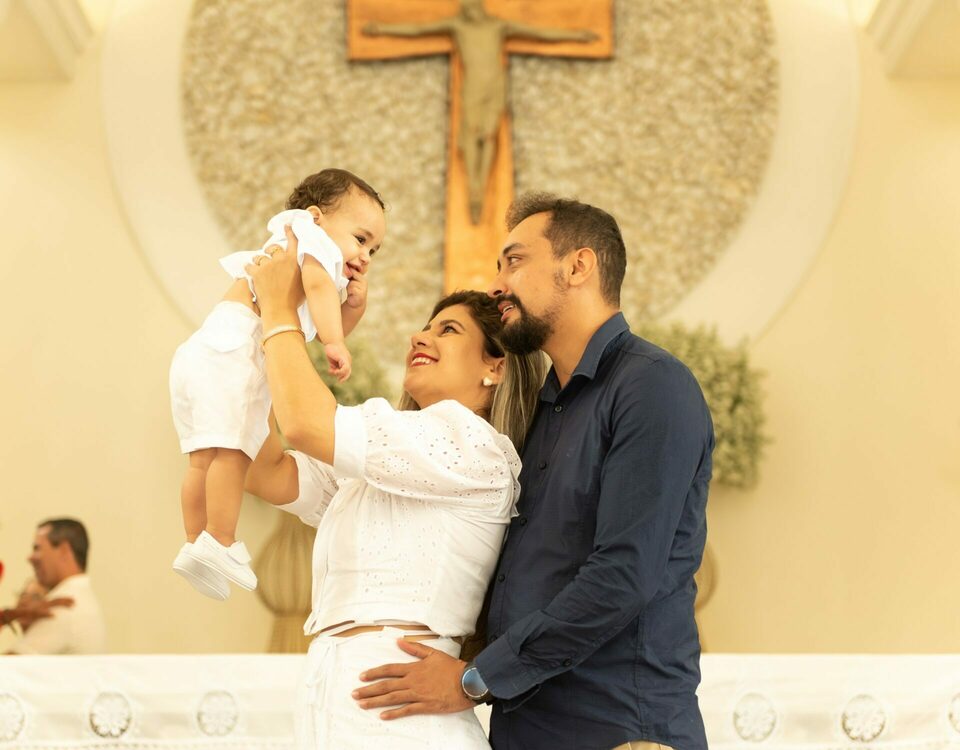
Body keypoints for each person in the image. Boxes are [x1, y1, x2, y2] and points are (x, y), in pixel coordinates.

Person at [352, 194, 715, 750]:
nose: (498, 284)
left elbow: (622, 575)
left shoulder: (651, 386)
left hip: (618, 731)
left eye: (514, 261)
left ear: (579, 266)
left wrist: (476, 679)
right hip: (526, 731)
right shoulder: (544, 412)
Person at [243, 228, 547, 749]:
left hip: (399, 710)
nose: (419, 337)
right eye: (425, 326)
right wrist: (307, 328)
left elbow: (304, 424)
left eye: (448, 330)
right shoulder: (392, 458)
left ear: (494, 366)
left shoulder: (471, 445)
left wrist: (282, 311)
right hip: (337, 692)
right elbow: (263, 468)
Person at [169, 169, 386, 599]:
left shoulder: (288, 239)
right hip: (239, 350)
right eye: (360, 239)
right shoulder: (310, 243)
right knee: (234, 450)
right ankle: (222, 538)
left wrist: (352, 310)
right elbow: (319, 289)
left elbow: (307, 318)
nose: (365, 256)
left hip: (204, 349)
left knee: (202, 459)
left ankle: (196, 544)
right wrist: (336, 341)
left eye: (375, 250)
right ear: (316, 217)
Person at [365, 0, 596, 223]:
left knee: (488, 135)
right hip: (473, 87)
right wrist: (382, 29)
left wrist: (577, 35)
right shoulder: (457, 26)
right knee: (471, 136)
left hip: (495, 85)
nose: (470, 9)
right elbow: (417, 29)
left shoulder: (498, 26)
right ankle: (474, 187)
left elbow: (538, 32)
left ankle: (480, 189)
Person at [3, 519, 106, 655]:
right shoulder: (81, 597)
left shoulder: (64, 605)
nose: (30, 557)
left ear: (64, 550)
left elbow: (7, 671)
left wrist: (6, 618)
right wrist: (8, 616)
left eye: (37, 548)